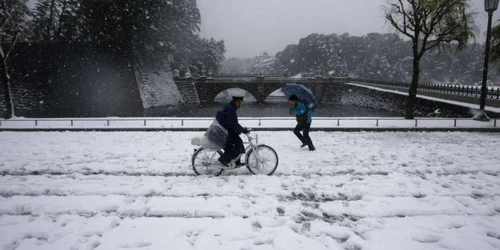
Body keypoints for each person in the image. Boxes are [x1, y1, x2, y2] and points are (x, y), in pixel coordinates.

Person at [215, 95, 250, 168]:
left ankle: (236, 162)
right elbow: (232, 123)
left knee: (238, 143)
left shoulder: (229, 107)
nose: (241, 104)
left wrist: (240, 130)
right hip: (224, 132)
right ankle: (224, 160)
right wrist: (243, 130)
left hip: (222, 130)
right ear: (236, 102)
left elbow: (231, 123)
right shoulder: (230, 109)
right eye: (240, 102)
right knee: (234, 146)